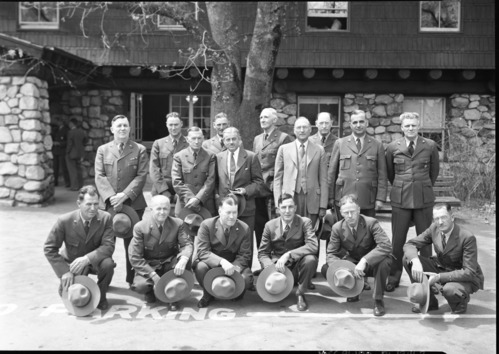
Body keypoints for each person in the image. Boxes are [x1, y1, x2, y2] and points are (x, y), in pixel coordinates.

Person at [385, 112, 440, 292]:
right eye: (407, 125)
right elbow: (390, 174)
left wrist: (422, 187)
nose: (410, 128)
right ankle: (394, 276)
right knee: (398, 240)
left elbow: (433, 172)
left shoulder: (430, 145)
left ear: (418, 126)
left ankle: (427, 278)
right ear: (401, 128)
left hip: (423, 198)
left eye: (413, 125)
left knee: (425, 241)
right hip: (400, 199)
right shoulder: (393, 146)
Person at [95, 114, 148, 287]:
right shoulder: (103, 150)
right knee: (106, 243)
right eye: (119, 126)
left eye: (125, 126)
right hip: (108, 205)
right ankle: (105, 279)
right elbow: (99, 176)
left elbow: (141, 176)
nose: (122, 129)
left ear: (130, 128)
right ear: (112, 129)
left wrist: (124, 196)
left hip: (133, 204)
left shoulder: (139, 149)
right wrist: (111, 197)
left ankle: (132, 279)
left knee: (133, 245)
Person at [403, 203, 484, 314]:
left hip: (463, 276)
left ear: (452, 217)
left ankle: (460, 302)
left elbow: (469, 272)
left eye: (444, 217)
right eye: (437, 218)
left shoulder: (467, 237)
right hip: (441, 266)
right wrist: (415, 260)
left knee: (449, 290)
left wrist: (439, 277)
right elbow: (410, 244)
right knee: (408, 260)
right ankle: (429, 302)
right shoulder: (434, 228)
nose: (440, 222)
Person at [44, 185, 115, 311]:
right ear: (79, 203)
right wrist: (64, 272)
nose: (93, 208)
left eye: (95, 204)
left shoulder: (106, 218)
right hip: (73, 264)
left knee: (108, 264)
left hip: (95, 262)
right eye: (88, 204)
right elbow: (49, 248)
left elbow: (108, 246)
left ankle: (101, 295)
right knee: (71, 295)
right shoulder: (64, 220)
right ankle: (75, 283)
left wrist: (87, 259)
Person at [320, 194, 393, 317]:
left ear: (358, 210)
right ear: (341, 213)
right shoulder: (337, 228)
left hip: (371, 264)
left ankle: (378, 300)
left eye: (352, 212)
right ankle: (354, 288)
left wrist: (365, 260)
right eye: (346, 212)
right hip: (353, 264)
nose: (350, 216)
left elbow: (386, 245)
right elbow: (331, 254)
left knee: (385, 262)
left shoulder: (371, 223)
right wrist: (343, 269)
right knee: (326, 269)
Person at [128, 195, 193, 311]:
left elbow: (187, 244)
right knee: (140, 286)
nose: (162, 212)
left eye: (165, 209)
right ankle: (149, 293)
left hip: (169, 264)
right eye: (158, 209)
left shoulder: (178, 224)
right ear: (151, 209)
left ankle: (173, 296)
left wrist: (183, 259)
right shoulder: (140, 227)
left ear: (170, 209)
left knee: (186, 260)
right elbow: (135, 258)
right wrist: (152, 275)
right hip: (150, 265)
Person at [258, 193, 318, 311]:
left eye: (290, 207)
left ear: (295, 208)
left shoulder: (304, 222)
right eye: (283, 207)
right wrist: (270, 268)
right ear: (278, 209)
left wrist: (289, 254)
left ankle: (300, 294)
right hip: (279, 268)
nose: (287, 211)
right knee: (273, 292)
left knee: (311, 259)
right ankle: (280, 287)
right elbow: (263, 253)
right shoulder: (270, 225)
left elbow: (313, 245)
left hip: (297, 266)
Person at [215, 126, 264, 268]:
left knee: (245, 242)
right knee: (225, 241)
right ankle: (225, 273)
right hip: (225, 208)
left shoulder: (250, 157)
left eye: (234, 139)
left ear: (240, 140)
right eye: (228, 139)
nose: (231, 142)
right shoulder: (218, 157)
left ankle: (245, 275)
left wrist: (246, 190)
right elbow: (215, 183)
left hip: (246, 208)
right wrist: (219, 200)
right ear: (223, 141)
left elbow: (259, 183)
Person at [193, 195, 253, 308]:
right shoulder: (207, 225)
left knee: (246, 279)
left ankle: (236, 291)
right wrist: (221, 262)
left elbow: (245, 255)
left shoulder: (244, 228)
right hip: (213, 264)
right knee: (200, 267)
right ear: (220, 211)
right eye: (228, 212)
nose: (231, 216)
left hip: (234, 264)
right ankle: (207, 294)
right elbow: (203, 252)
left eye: (234, 212)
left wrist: (234, 268)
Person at [327, 109, 387, 220]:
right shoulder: (340, 143)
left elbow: (382, 175)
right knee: (343, 232)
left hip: (368, 198)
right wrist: (330, 197)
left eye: (361, 122)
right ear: (350, 124)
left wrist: (380, 199)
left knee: (366, 233)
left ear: (366, 123)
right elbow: (332, 172)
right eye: (355, 122)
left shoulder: (377, 145)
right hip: (343, 198)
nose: (358, 125)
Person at [252, 107, 293, 250]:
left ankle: (277, 258)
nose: (262, 120)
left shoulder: (283, 138)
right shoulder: (257, 139)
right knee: (259, 227)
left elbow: (286, 166)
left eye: (266, 117)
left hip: (272, 191)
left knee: (275, 227)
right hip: (258, 190)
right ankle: (263, 260)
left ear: (274, 120)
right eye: (261, 117)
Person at [172, 126, 217, 217]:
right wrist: (191, 198)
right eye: (193, 138)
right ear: (187, 139)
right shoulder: (179, 156)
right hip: (184, 203)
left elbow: (211, 180)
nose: (196, 141)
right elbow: (176, 181)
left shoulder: (210, 156)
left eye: (199, 138)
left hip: (206, 202)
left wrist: (198, 198)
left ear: (203, 139)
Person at [149, 112, 189, 215]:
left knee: (181, 219)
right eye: (170, 125)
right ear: (166, 125)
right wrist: (163, 190)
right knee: (160, 218)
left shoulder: (189, 143)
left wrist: (181, 192)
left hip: (182, 187)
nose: (173, 127)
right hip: (161, 187)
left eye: (176, 124)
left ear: (181, 124)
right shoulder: (158, 143)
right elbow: (154, 169)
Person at [66, 118, 86, 191]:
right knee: (79, 169)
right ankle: (80, 185)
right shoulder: (82, 132)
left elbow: (70, 144)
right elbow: (85, 141)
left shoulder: (71, 132)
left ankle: (74, 186)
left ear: (72, 124)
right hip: (80, 153)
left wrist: (67, 152)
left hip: (72, 153)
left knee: (72, 170)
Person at [51, 121, 70, 187]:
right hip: (55, 150)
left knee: (64, 167)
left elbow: (68, 141)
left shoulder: (66, 130)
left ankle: (67, 182)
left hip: (62, 151)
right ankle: (55, 181)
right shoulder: (56, 129)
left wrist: (60, 143)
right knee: (55, 167)